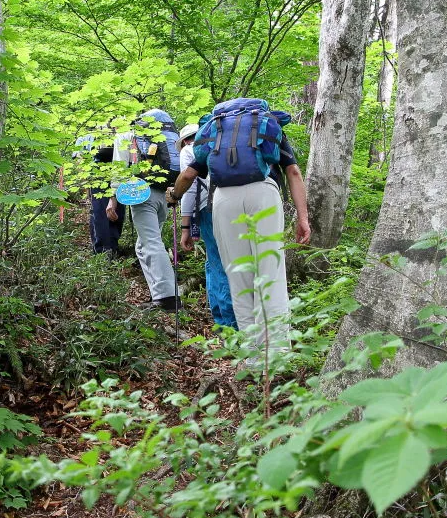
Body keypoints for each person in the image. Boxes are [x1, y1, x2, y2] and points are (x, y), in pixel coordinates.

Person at [166, 105, 311, 356]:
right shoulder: (266, 124)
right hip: (264, 194)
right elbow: (293, 172)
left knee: (238, 276)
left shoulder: (215, 129)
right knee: (270, 273)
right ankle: (277, 354)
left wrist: (173, 195)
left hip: (224, 199)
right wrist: (303, 218)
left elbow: (189, 175)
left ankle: (252, 356)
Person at [108, 109, 181, 312]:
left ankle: (168, 297)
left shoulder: (126, 136)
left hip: (141, 194)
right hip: (163, 192)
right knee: (143, 245)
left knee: (151, 243)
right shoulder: (164, 134)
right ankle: (159, 293)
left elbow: (119, 168)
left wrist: (112, 200)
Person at [176, 123, 237, 329]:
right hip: (237, 207)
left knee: (218, 264)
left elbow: (189, 187)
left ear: (185, 139)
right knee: (221, 263)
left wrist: (185, 227)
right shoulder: (225, 144)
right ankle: (225, 319)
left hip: (209, 209)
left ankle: (229, 326)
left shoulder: (189, 150)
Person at [75, 134, 125, 256]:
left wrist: (86, 184)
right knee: (117, 211)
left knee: (99, 213)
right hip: (119, 173)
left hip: (97, 176)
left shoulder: (83, 137)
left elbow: (80, 162)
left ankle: (103, 252)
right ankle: (113, 247)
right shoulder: (119, 134)